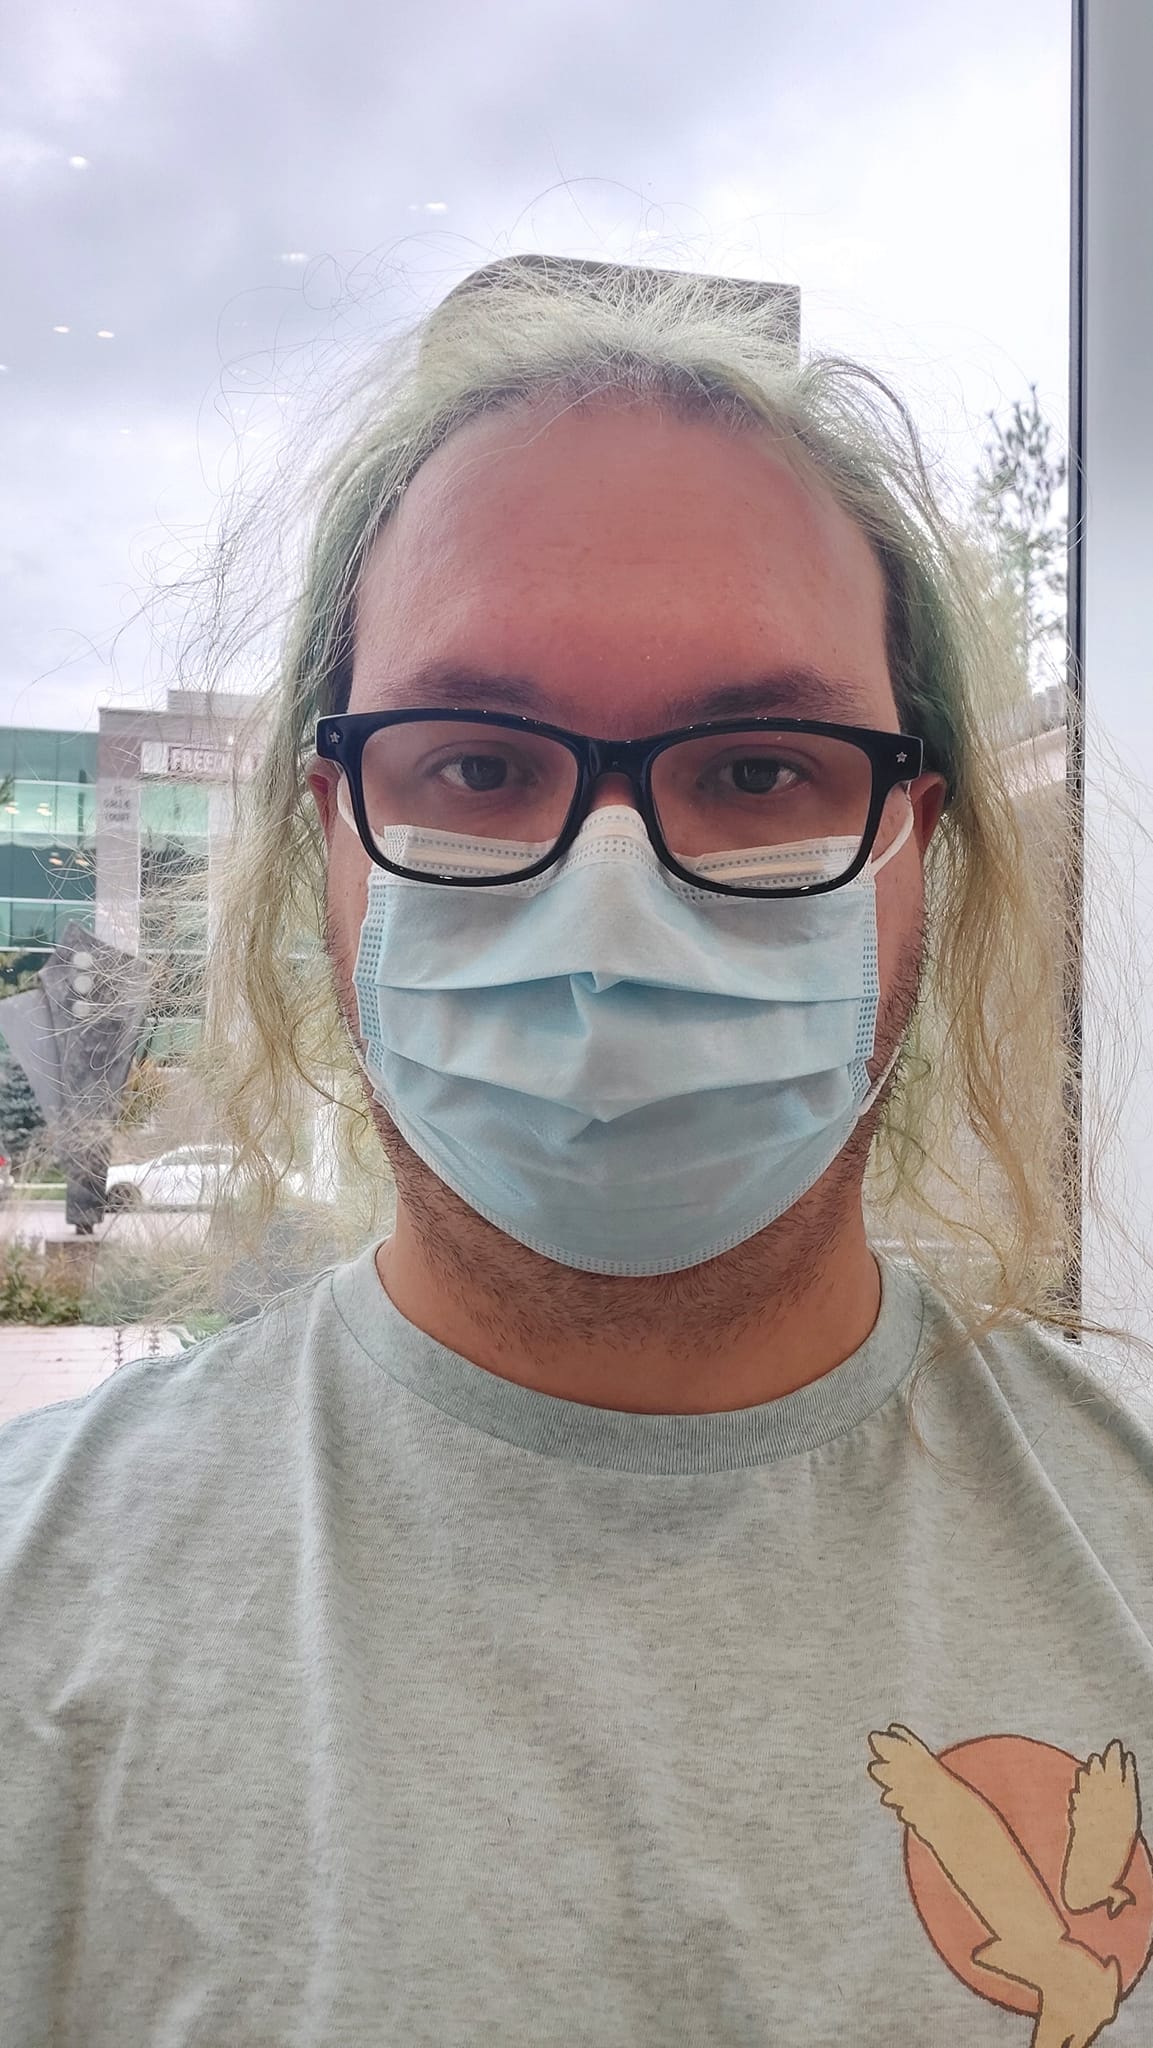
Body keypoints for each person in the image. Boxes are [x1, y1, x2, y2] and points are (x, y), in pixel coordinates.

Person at [3, 257, 1152, 2048]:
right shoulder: (30, 1618)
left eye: (760, 768)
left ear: (914, 841)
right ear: (337, 838)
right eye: (473, 765)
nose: (604, 905)